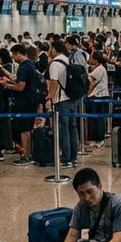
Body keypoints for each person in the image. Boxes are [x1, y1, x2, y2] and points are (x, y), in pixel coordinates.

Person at [5, 44, 42, 166]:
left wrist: (7, 85)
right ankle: (29, 153)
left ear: (18, 53)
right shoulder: (31, 64)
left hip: (23, 102)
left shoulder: (22, 67)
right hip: (31, 101)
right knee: (28, 129)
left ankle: (26, 155)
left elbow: (20, 87)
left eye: (14, 55)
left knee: (24, 130)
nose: (13, 58)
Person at [48, 39, 79, 168]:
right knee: (72, 128)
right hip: (72, 98)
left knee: (63, 129)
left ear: (55, 49)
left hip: (61, 100)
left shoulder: (54, 64)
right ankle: (73, 156)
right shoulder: (67, 60)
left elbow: (54, 83)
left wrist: (49, 96)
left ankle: (66, 158)